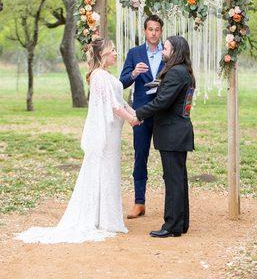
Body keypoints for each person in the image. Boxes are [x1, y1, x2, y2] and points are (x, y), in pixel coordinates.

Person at [15, 38, 140, 244]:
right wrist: (133, 119)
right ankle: (102, 218)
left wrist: (136, 113)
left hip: (113, 132)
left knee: (109, 170)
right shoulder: (99, 76)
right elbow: (113, 106)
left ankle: (105, 215)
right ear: (102, 55)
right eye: (112, 50)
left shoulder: (106, 75)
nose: (116, 54)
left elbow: (121, 101)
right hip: (106, 134)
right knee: (104, 169)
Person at [134, 36, 195, 238]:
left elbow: (162, 102)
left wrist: (138, 113)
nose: (162, 51)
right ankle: (181, 222)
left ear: (175, 51)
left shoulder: (176, 73)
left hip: (173, 132)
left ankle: (172, 225)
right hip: (177, 131)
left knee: (173, 180)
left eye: (166, 48)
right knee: (178, 179)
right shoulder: (183, 71)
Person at [120, 15, 164, 219]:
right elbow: (122, 82)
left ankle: (171, 202)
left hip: (165, 112)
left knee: (168, 157)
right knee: (140, 156)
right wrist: (135, 74)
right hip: (141, 113)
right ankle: (139, 202)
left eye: (157, 29)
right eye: (150, 29)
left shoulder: (169, 52)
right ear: (145, 31)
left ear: (161, 31)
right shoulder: (134, 53)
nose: (153, 33)